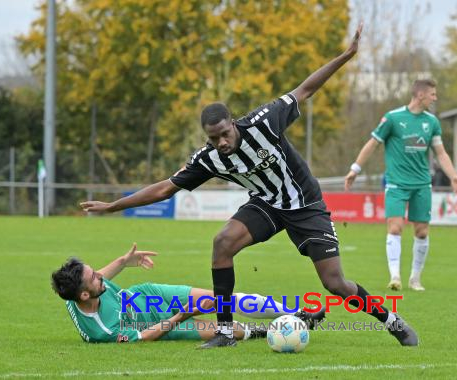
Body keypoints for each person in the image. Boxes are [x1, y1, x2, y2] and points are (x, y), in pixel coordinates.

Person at [81, 23, 419, 349]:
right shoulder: (209, 158)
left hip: (305, 202)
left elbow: (306, 89)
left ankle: (392, 321)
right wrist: (114, 206)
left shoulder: (266, 122)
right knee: (223, 242)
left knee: (334, 284)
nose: (222, 142)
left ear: (233, 122)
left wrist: (347, 55)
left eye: (225, 134)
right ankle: (225, 331)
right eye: (214, 139)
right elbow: (165, 188)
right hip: (267, 205)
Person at [51, 243, 325, 343]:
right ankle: (267, 333)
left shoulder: (80, 292)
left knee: (224, 298)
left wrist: (123, 262)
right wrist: (182, 316)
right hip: (161, 326)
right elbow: (144, 337)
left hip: (152, 294)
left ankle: (297, 314)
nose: (99, 275)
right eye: (93, 277)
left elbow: (103, 276)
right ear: (84, 296)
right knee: (230, 330)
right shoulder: (102, 331)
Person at [345, 79, 457, 292]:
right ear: (420, 95)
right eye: (433, 95)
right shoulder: (393, 118)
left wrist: (454, 175)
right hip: (397, 184)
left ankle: (415, 278)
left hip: (421, 184)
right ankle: (395, 276)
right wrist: (355, 168)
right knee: (395, 227)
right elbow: (372, 143)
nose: (435, 98)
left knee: (421, 232)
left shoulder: (432, 122)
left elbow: (440, 153)